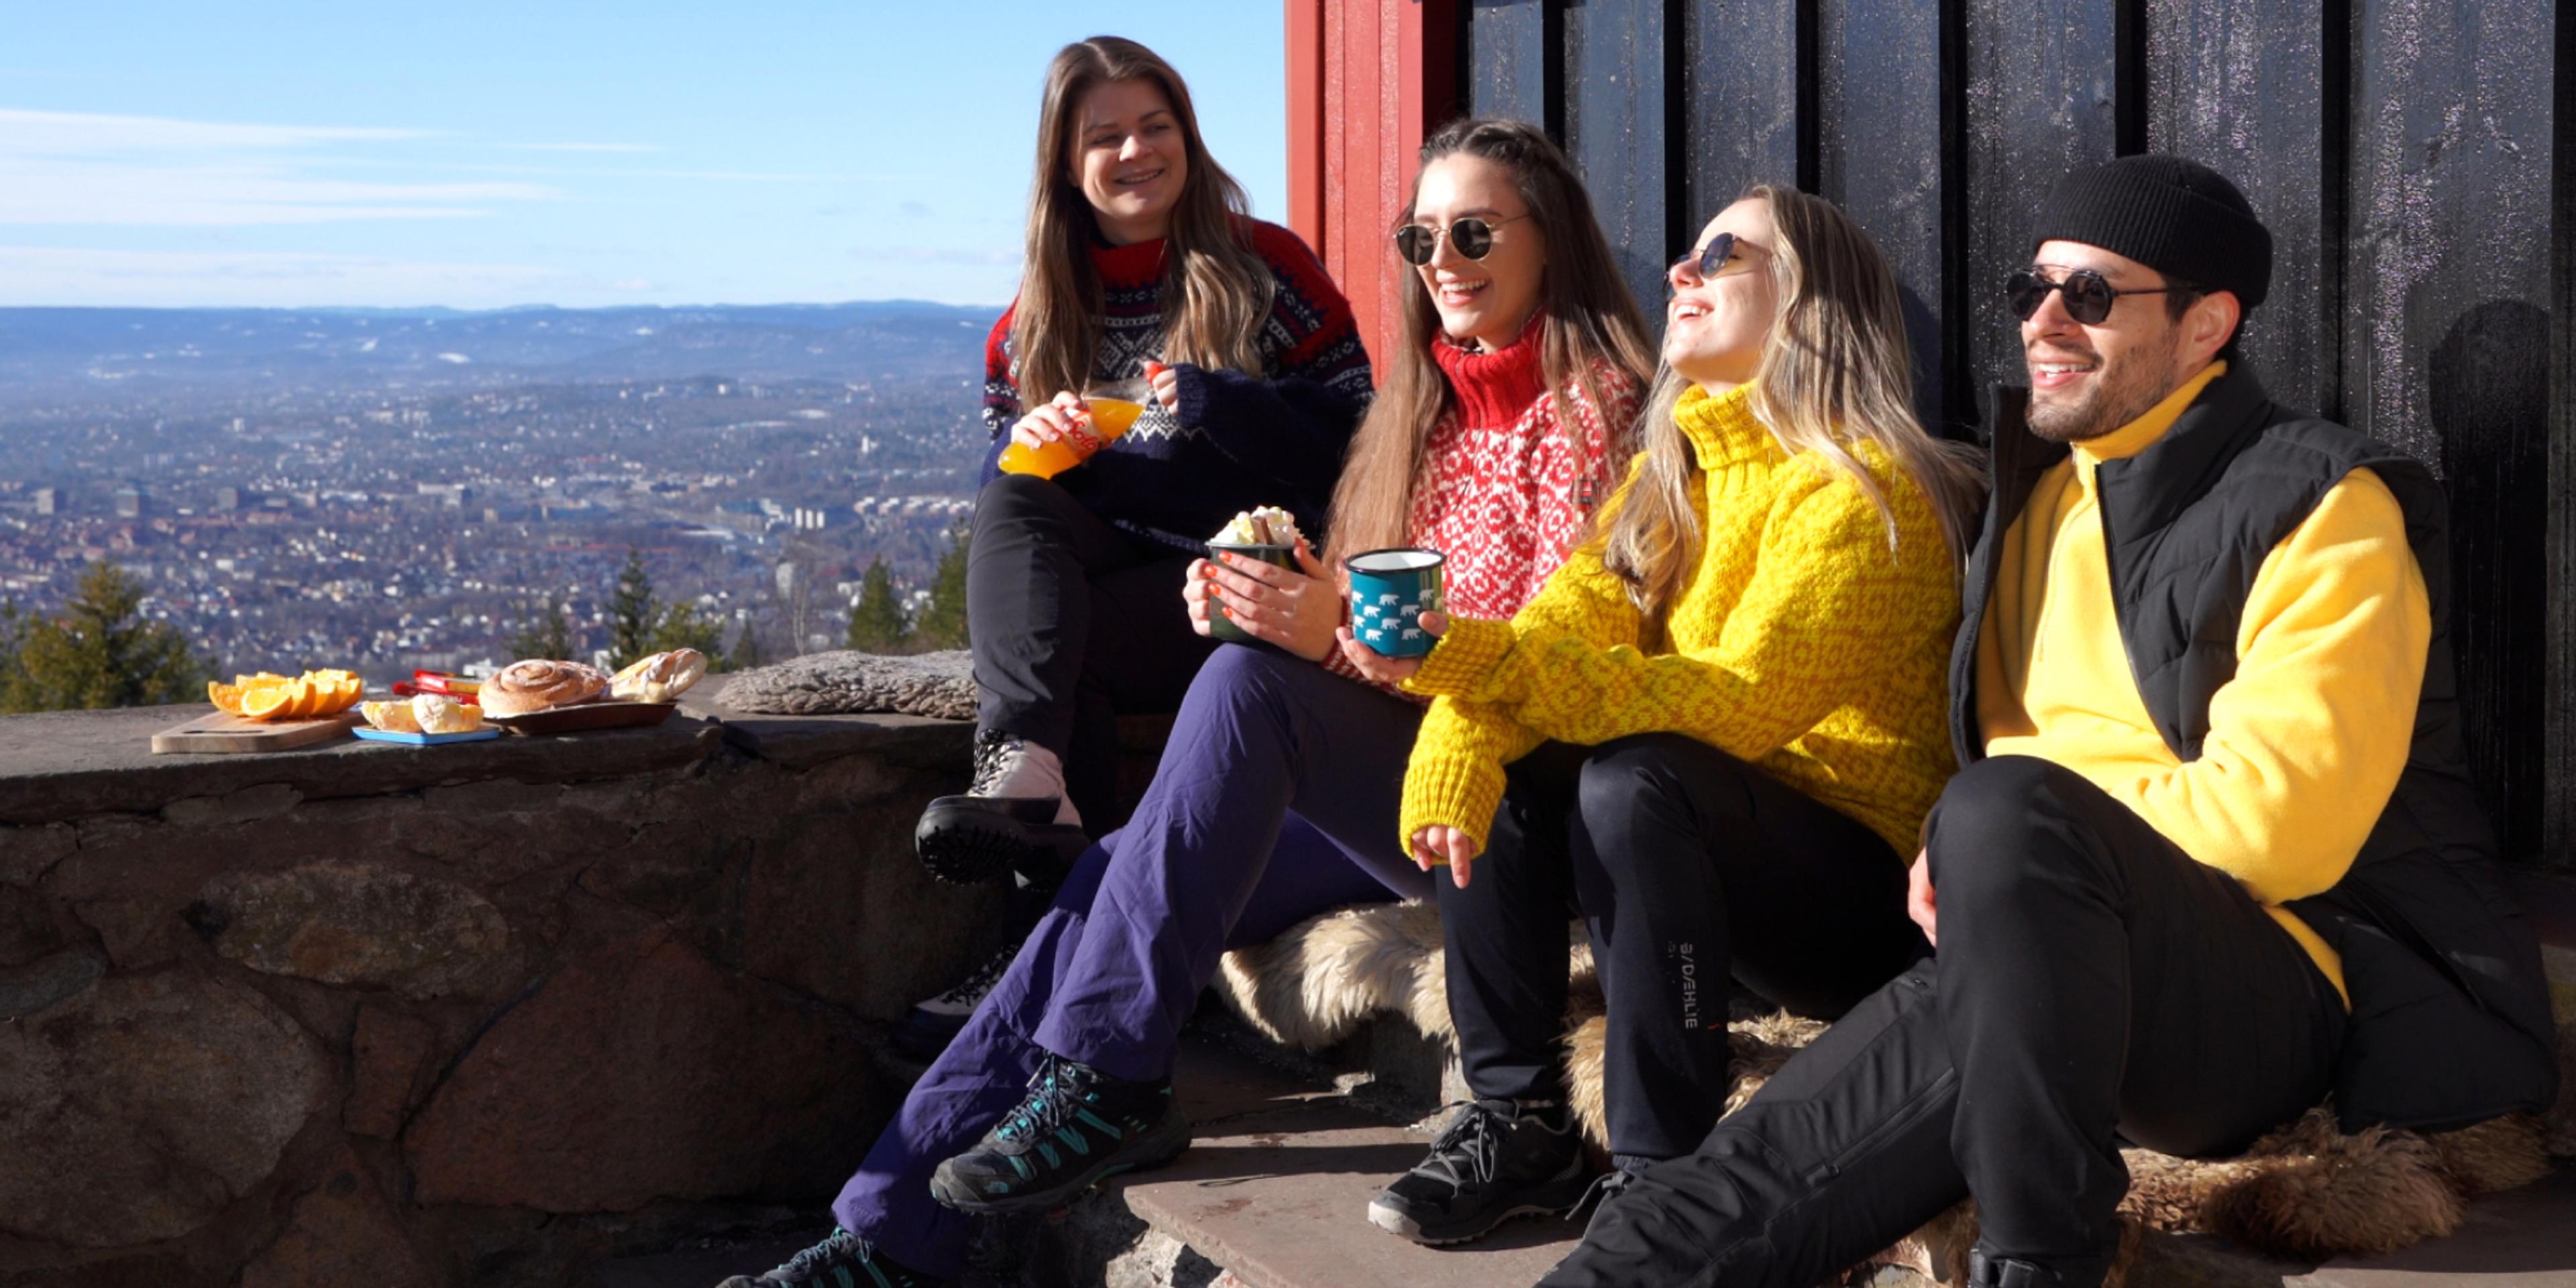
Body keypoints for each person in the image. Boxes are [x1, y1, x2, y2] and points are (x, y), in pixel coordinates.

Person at [1542, 156, 2561, 1288]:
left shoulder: (2324, 504)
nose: (2043, 320)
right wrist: (1986, 846)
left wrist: (1997, 834)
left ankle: (2045, 1257)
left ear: (2206, 323)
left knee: (2001, 808)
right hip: (2030, 948)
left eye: (2090, 296)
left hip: (2267, 988)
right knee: (1746, 1186)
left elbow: (2281, 830)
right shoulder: (2038, 504)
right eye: (2034, 288)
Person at [719, 117, 1654, 1288]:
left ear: (1549, 240)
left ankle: (1111, 1082)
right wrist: (1285, 600)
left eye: (1473, 231)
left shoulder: (1603, 415)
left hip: (1510, 806)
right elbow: (1366, 630)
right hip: (1393, 780)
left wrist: (1331, 647)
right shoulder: (1423, 418)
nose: (1442, 262)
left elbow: (1555, 668)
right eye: (1421, 238)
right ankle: (885, 1239)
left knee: (1244, 691)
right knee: (1117, 872)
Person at [1350, 184, 1984, 1248]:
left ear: (1807, 303)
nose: (1682, 273)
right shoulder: (1669, 486)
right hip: (1705, 864)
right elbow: (1550, 640)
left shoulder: (1868, 494)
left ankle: (1660, 1173)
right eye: (1684, 255)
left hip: (1864, 905)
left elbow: (1737, 702)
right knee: (1530, 757)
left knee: (1636, 773)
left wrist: (1456, 657)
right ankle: (1518, 1123)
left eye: (1723, 254)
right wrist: (1460, 741)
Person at [894, 35, 1371, 1056]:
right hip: (1128, 596)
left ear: (1188, 140)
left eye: (1155, 127)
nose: (1135, 152)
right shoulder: (1028, 326)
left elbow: (1360, 433)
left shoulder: (1265, 270)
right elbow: (1016, 518)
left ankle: (1044, 970)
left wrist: (1221, 402)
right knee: (1018, 513)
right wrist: (1021, 453)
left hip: (1255, 586)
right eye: (1104, 135)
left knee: (1064, 658)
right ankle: (1026, 787)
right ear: (1066, 163)